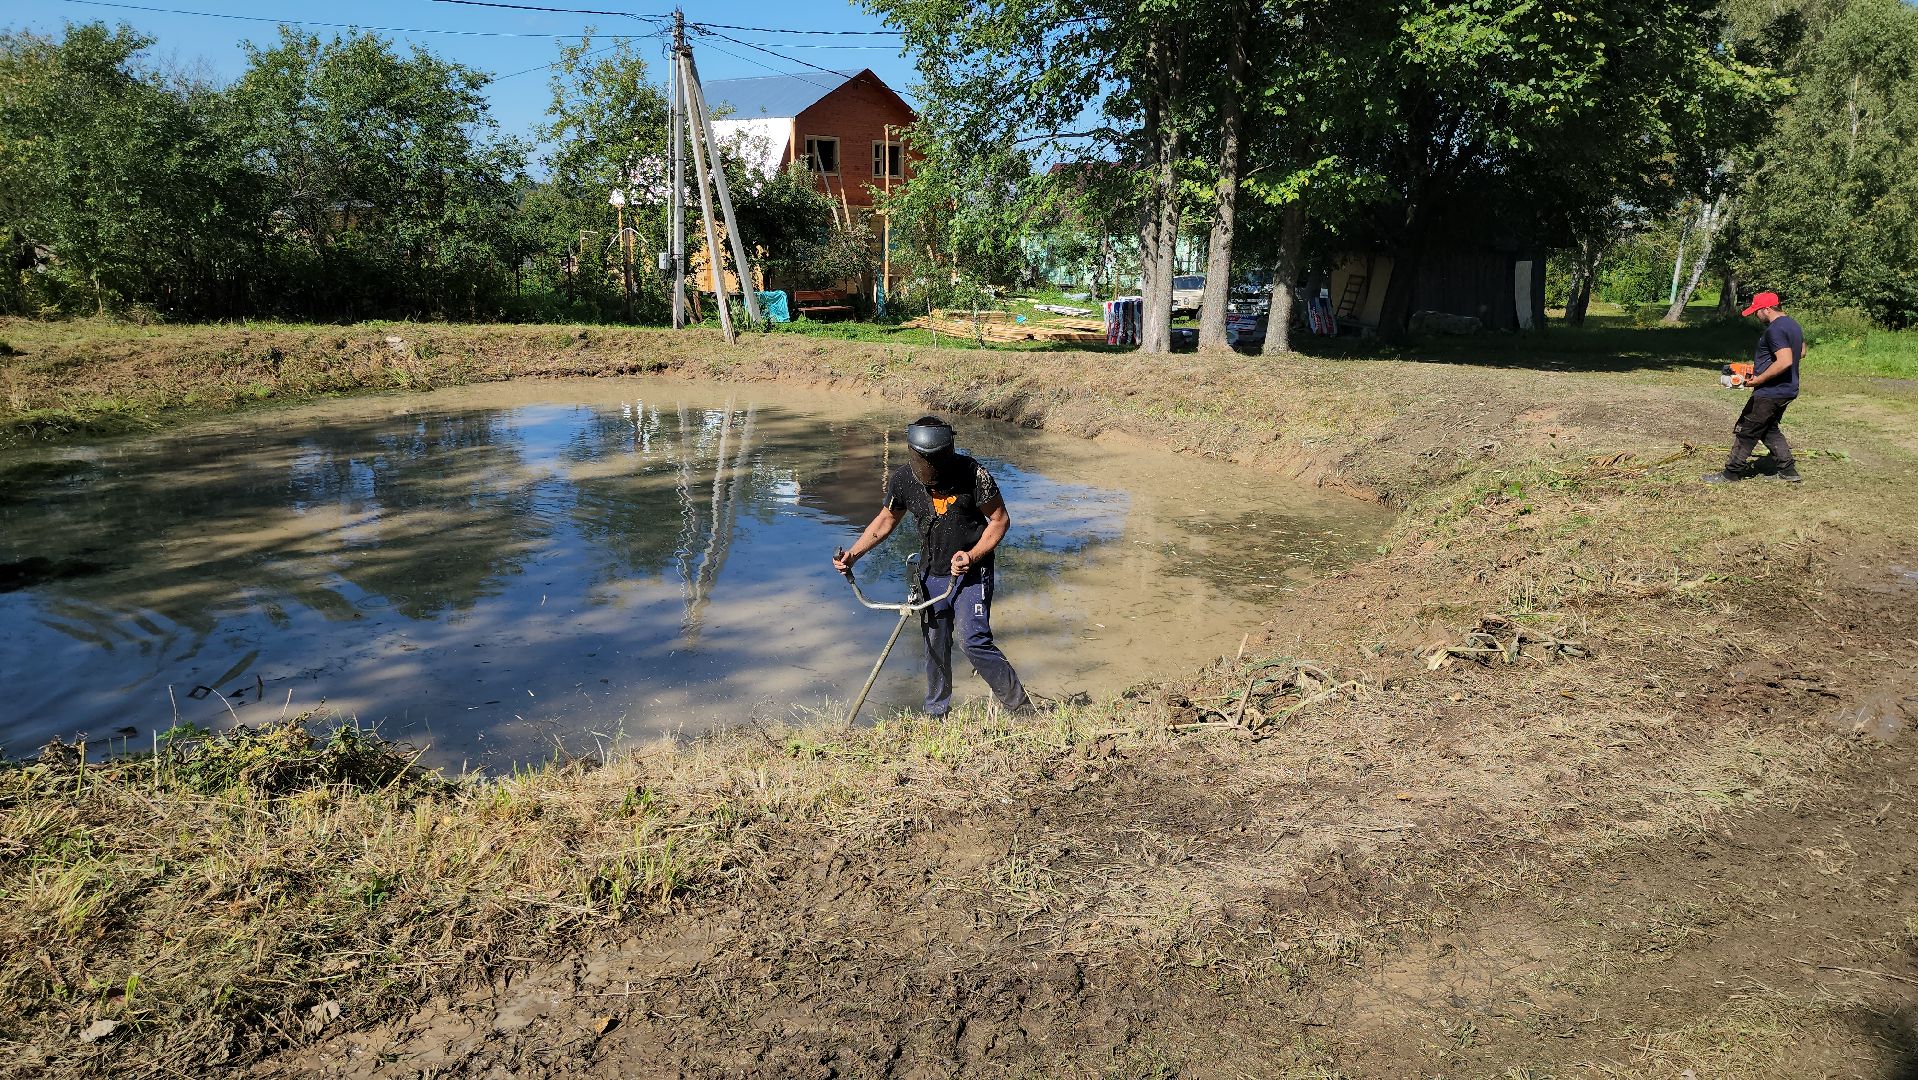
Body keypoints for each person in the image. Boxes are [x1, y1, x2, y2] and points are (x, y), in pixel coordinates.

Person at [832, 416, 1033, 717]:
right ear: (915, 455)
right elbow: (886, 521)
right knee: (935, 644)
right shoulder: (903, 480)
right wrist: (853, 555)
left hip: (971, 574)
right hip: (931, 574)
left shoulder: (973, 474)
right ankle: (936, 714)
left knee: (973, 641)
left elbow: (1000, 520)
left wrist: (972, 555)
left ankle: (1022, 709)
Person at [1706, 290, 1804, 484]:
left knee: (1748, 430)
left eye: (1757, 311)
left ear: (1767, 309)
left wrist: (1759, 379)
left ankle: (1731, 473)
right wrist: (1761, 367)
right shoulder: (1793, 325)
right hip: (1787, 388)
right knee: (1768, 429)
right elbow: (1801, 352)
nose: (1755, 315)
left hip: (1771, 391)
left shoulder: (1774, 329)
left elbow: (1784, 361)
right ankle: (1788, 470)